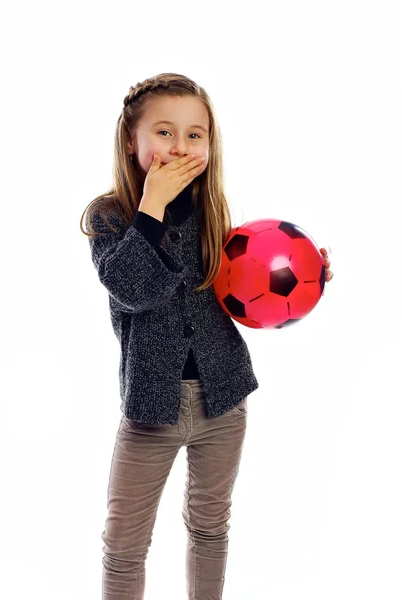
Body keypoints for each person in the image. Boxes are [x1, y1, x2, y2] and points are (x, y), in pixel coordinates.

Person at [81, 73, 334, 599]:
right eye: (164, 132)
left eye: (195, 134)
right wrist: (152, 207)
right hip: (151, 410)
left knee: (210, 527)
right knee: (124, 547)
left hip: (224, 401)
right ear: (133, 141)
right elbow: (133, 288)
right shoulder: (109, 216)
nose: (180, 146)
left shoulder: (214, 212)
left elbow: (246, 284)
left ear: (211, 144)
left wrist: (300, 274)